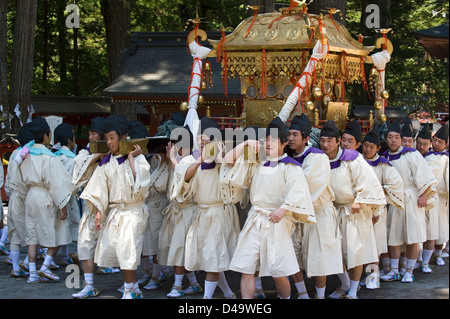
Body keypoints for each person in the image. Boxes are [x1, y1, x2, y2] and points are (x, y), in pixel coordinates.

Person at [223, 116, 316, 299]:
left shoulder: (291, 167)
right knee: (247, 268)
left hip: (277, 222)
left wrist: (283, 210)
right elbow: (228, 160)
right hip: (255, 219)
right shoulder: (257, 162)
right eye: (266, 140)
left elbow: (297, 192)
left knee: (279, 271)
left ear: (283, 144)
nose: (268, 143)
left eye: (273, 140)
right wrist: (247, 142)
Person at [80, 115, 151, 299]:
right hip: (116, 211)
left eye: (112, 137)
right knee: (118, 251)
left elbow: (141, 185)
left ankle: (129, 290)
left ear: (123, 137)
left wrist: (132, 159)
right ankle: (133, 287)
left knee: (127, 250)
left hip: (133, 210)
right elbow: (100, 188)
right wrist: (98, 210)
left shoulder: (139, 158)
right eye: (107, 138)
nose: (109, 142)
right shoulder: (107, 162)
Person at [171, 117, 240, 299]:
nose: (203, 143)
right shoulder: (193, 162)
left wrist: (219, 155)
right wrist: (200, 158)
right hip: (201, 214)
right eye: (200, 140)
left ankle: (206, 299)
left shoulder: (223, 159)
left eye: (207, 140)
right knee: (212, 258)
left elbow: (231, 167)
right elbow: (184, 176)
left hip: (219, 215)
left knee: (213, 259)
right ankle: (228, 293)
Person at [319, 120, 386, 299]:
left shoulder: (352, 158)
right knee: (335, 252)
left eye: (329, 141)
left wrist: (361, 200)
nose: (325, 145)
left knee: (355, 252)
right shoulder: (319, 159)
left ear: (338, 141)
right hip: (332, 212)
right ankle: (345, 284)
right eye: (322, 140)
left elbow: (368, 180)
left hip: (354, 210)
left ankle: (353, 291)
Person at [287, 114, 343, 299]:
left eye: (295, 135)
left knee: (319, 259)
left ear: (305, 138)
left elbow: (306, 185)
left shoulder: (317, 157)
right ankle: (303, 294)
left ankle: (319, 296)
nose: (291, 138)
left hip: (318, 214)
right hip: (294, 214)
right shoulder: (288, 156)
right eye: (289, 134)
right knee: (291, 257)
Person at [14, 116, 74, 284]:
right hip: (45, 196)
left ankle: (32, 273)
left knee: (32, 235)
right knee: (54, 232)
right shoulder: (49, 157)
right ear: (47, 135)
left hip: (31, 195)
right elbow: (56, 183)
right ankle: (45, 267)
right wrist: (63, 205)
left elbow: (19, 178)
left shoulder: (26, 155)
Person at [380, 121, 437, 283]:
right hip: (393, 201)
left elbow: (425, 175)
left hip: (412, 198)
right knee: (394, 236)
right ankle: (395, 271)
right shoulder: (384, 158)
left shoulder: (412, 154)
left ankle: (409, 270)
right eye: (390, 137)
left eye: (396, 137)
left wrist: (424, 195)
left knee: (413, 236)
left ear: (401, 139)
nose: (393, 141)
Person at [159, 125, 201, 298]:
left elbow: (183, 178)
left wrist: (173, 160)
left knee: (180, 248)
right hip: (177, 211)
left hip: (187, 211)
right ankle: (194, 284)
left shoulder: (189, 162)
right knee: (179, 249)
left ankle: (177, 286)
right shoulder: (179, 161)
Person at [361, 127, 404, 288]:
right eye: (366, 145)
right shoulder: (357, 162)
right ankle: (360, 276)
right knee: (361, 245)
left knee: (375, 246)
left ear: (378, 148)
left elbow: (396, 184)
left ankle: (373, 277)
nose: (368, 149)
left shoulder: (383, 165)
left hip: (377, 210)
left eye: (372, 146)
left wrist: (380, 190)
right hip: (360, 210)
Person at [71, 117, 108, 299]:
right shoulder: (84, 153)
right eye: (90, 133)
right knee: (85, 245)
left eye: (94, 133)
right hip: (90, 208)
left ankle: (129, 285)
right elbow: (77, 177)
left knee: (114, 248)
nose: (91, 137)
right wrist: (94, 158)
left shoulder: (113, 154)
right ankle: (89, 285)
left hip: (109, 209)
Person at [4, 123, 34, 277]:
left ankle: (16, 267)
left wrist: (10, 194)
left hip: (14, 196)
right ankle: (28, 263)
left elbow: (8, 179)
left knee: (15, 232)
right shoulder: (29, 154)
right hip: (25, 196)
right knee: (33, 231)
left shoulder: (14, 153)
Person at [53, 122, 80, 265]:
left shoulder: (54, 156)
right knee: (74, 225)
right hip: (69, 197)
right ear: (70, 140)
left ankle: (64, 255)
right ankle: (77, 253)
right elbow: (72, 181)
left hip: (55, 196)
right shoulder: (72, 158)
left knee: (60, 226)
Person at [415, 124, 440, 273]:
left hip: (431, 200)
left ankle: (425, 262)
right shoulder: (411, 156)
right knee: (417, 232)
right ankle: (417, 258)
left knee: (430, 233)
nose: (421, 147)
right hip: (415, 200)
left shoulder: (434, 159)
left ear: (429, 145)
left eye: (425, 144)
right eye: (419, 143)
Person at [425, 124, 449, 267]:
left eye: (440, 142)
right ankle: (425, 260)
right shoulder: (425, 156)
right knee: (429, 229)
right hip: (427, 197)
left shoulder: (446, 159)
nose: (436, 144)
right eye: (435, 140)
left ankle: (438, 254)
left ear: (446, 144)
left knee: (441, 228)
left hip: (441, 199)